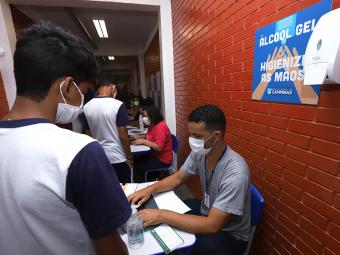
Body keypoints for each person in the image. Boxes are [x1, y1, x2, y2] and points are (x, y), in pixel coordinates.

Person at [0, 22, 131, 255]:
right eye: (84, 90)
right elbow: (111, 249)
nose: (83, 98)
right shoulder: (78, 152)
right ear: (67, 87)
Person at [129, 104, 251, 255]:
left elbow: (212, 226)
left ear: (217, 136)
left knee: (177, 242)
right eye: (191, 134)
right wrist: (149, 189)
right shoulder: (201, 152)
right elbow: (179, 177)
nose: (192, 140)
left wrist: (161, 215)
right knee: (171, 213)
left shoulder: (236, 172)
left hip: (229, 235)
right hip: (207, 211)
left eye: (198, 136)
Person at [83, 75, 133, 183]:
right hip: (118, 157)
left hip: (99, 157)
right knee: (125, 189)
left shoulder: (86, 107)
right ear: (113, 87)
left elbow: (88, 133)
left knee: (105, 188)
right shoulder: (118, 105)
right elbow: (123, 134)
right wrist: (129, 156)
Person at [132, 105, 172, 181]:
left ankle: (147, 183)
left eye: (146, 116)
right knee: (135, 160)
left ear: (153, 115)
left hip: (162, 159)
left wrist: (143, 141)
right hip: (154, 155)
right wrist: (142, 137)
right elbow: (150, 136)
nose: (144, 118)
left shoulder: (161, 127)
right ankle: (150, 177)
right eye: (143, 116)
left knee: (138, 166)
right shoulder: (152, 125)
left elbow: (159, 147)